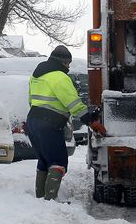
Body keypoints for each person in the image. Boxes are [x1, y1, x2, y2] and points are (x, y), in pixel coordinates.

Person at [27, 45, 106, 201]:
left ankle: (40, 199)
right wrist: (91, 121)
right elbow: (73, 104)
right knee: (58, 161)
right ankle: (50, 200)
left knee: (44, 160)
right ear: (63, 62)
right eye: (68, 63)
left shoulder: (36, 76)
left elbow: (31, 100)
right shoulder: (60, 77)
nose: (69, 67)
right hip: (49, 123)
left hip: (33, 121)